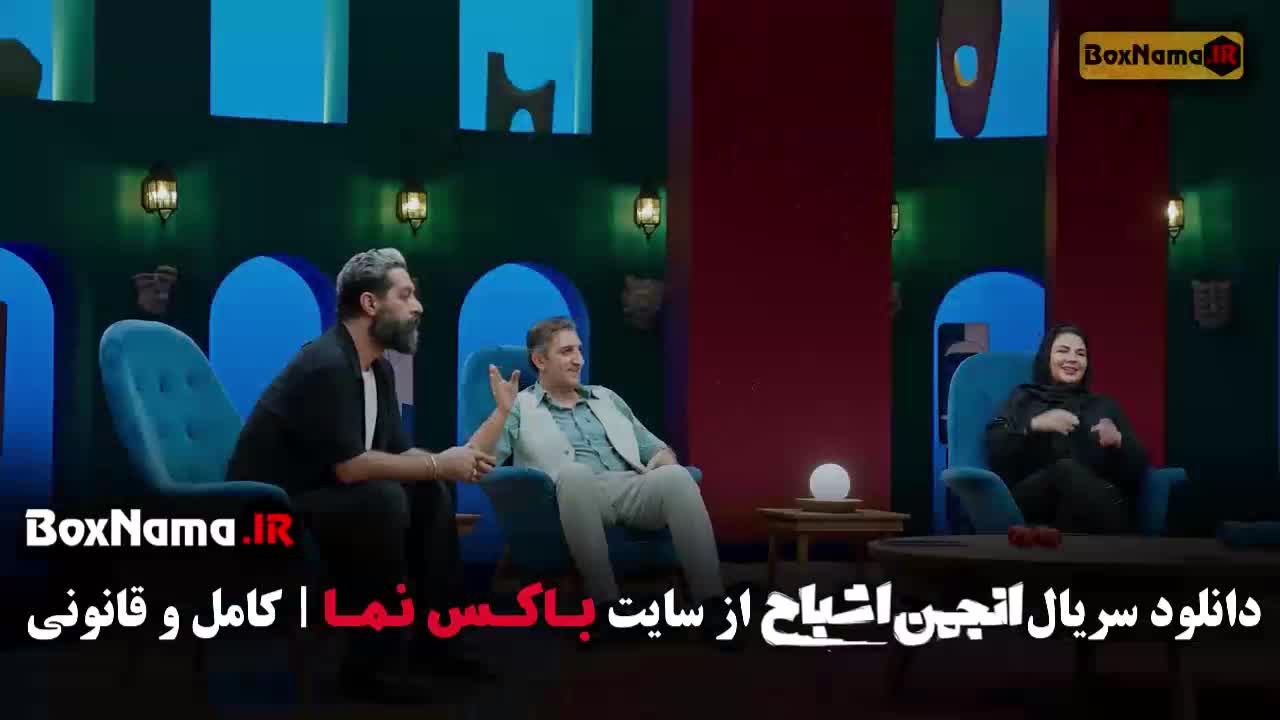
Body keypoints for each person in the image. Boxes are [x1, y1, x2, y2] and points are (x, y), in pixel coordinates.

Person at [226, 248, 496, 703]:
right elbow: (351, 466)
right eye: (405, 295)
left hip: (328, 495)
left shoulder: (378, 369)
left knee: (428, 490)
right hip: (272, 509)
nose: (418, 307)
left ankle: (436, 646)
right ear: (370, 304)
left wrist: (452, 461)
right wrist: (437, 464)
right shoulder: (327, 364)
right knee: (383, 499)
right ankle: (369, 667)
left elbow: (395, 453)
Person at [466, 317, 728, 624]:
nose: (579, 359)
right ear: (540, 360)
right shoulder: (519, 406)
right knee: (575, 474)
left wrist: (662, 462)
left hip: (630, 487)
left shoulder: (607, 397)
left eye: (579, 350)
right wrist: (502, 411)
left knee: (678, 476)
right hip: (568, 496)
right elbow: (477, 457)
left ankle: (712, 604)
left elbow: (656, 449)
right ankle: (606, 606)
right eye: (566, 351)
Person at [985, 323, 1150, 534]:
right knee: (1065, 469)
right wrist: (1035, 425)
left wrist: (1119, 441)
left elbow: (1137, 470)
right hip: (1034, 499)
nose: (1072, 359)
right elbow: (996, 451)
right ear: (1047, 358)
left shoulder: (1103, 406)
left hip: (1091, 503)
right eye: (1063, 351)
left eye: (1080, 354)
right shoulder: (1023, 398)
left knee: (1078, 484)